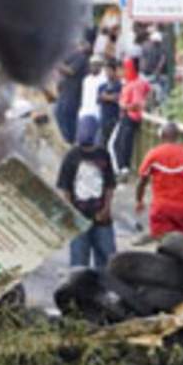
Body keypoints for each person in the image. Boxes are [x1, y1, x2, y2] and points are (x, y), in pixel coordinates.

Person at [57, 115, 117, 268]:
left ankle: (105, 288)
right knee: (79, 262)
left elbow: (109, 185)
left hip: (102, 217)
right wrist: (72, 213)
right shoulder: (71, 156)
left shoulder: (103, 155)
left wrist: (106, 209)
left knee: (107, 259)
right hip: (79, 218)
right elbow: (65, 188)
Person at [136, 123, 183, 239]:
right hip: (181, 209)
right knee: (182, 244)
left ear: (162, 136)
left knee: (161, 242)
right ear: (177, 137)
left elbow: (142, 180)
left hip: (160, 208)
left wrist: (139, 200)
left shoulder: (153, 154)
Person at [111, 58, 150, 176]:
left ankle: (122, 168)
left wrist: (124, 106)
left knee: (120, 143)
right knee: (121, 142)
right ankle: (122, 168)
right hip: (128, 116)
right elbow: (148, 91)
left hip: (130, 117)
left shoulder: (135, 84)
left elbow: (138, 104)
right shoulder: (134, 82)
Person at [55, 38, 91, 143]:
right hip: (65, 91)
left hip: (73, 93)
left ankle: (70, 141)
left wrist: (55, 63)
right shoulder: (71, 56)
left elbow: (70, 71)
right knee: (59, 113)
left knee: (67, 116)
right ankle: (65, 139)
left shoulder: (81, 57)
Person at [97, 60, 122, 145]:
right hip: (103, 120)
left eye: (109, 70)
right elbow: (98, 99)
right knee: (102, 145)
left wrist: (106, 97)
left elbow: (119, 98)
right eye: (106, 70)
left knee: (112, 145)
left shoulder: (120, 86)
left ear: (115, 71)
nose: (107, 73)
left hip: (114, 120)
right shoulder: (102, 86)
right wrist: (110, 97)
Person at [140, 30, 167, 105]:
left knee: (158, 90)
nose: (156, 43)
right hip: (148, 73)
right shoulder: (146, 46)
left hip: (152, 74)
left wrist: (157, 70)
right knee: (156, 90)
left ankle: (156, 104)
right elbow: (143, 59)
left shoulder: (160, 47)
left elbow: (162, 59)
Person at [77, 55, 106, 120]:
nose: (94, 67)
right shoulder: (86, 80)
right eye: (92, 65)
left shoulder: (104, 79)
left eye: (96, 64)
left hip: (97, 113)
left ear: (101, 66)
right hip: (84, 112)